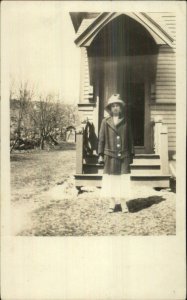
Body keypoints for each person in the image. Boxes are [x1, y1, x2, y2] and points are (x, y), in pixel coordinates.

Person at [98, 94, 134, 213]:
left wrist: (131, 154)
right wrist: (100, 155)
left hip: (124, 156)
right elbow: (101, 139)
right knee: (111, 181)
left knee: (123, 180)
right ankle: (112, 203)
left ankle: (124, 203)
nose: (115, 108)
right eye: (113, 106)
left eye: (117, 105)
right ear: (110, 108)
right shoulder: (105, 122)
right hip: (110, 156)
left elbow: (130, 138)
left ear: (120, 108)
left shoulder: (126, 121)